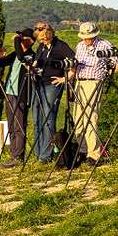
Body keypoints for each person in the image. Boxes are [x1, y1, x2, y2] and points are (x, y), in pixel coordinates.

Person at [69, 22, 118, 164]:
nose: (87, 39)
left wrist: (106, 75)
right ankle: (83, 150)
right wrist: (66, 79)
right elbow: (75, 66)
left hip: (94, 82)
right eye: (85, 37)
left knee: (90, 118)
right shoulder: (79, 46)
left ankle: (94, 153)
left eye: (90, 36)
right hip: (79, 82)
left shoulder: (104, 44)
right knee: (78, 118)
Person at [26, 21, 73, 162]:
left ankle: (46, 155)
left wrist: (65, 79)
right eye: (41, 38)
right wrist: (31, 67)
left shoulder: (60, 46)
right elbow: (36, 62)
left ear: (51, 33)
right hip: (38, 84)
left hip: (52, 85)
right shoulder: (41, 46)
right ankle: (39, 152)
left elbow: (74, 61)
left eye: (45, 37)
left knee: (48, 118)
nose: (43, 40)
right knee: (37, 118)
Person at [0, 29, 36, 162]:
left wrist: (17, 40)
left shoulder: (31, 56)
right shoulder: (14, 54)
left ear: (30, 41)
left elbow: (20, 56)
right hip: (9, 92)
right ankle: (14, 155)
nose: (20, 39)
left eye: (23, 38)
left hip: (21, 94)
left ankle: (18, 156)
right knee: (11, 125)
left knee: (19, 125)